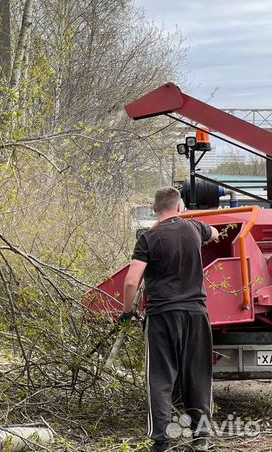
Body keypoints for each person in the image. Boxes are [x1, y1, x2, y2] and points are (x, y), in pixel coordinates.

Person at [119, 187, 219, 452]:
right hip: (197, 315)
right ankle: (201, 438)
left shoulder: (148, 238)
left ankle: (161, 441)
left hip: (162, 316)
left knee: (161, 379)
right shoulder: (195, 229)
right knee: (198, 376)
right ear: (180, 207)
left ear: (154, 209)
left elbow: (131, 282)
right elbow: (216, 233)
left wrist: (128, 312)